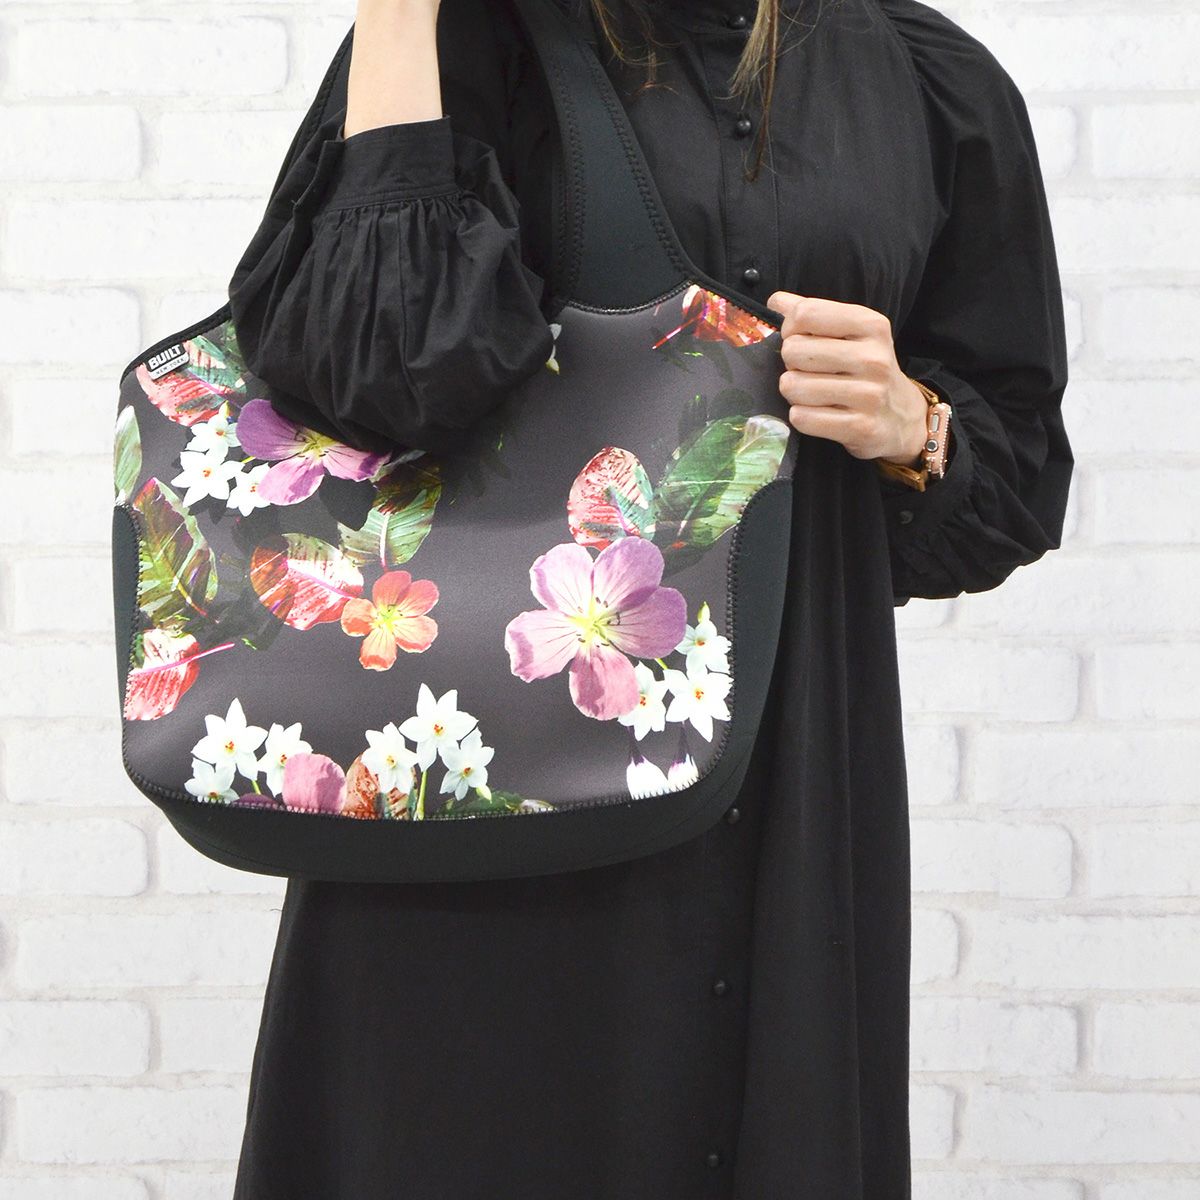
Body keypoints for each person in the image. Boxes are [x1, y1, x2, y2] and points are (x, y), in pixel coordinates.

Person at [225, 0, 1073, 1195]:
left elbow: (1016, 480)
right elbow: (373, 382)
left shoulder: (928, 84)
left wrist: (913, 425)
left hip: (786, 795)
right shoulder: (462, 40)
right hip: (475, 805)